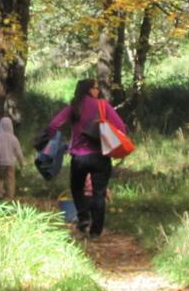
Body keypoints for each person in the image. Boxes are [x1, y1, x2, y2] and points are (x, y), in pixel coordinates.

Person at [46, 78, 128, 238]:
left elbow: (54, 125)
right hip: (100, 157)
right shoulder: (103, 106)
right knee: (99, 193)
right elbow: (121, 126)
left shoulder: (73, 107)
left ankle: (83, 218)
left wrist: (50, 142)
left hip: (79, 157)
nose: (98, 91)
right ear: (89, 90)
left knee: (76, 189)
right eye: (96, 88)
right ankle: (96, 231)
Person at [0, 116, 24, 200]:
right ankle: (10, 197)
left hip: (0, 164)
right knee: (10, 181)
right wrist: (21, 162)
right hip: (10, 164)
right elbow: (18, 152)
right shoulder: (14, 139)